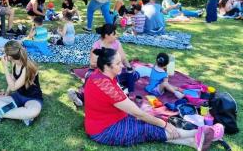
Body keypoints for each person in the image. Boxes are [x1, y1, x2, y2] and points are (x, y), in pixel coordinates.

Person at [84, 47, 223, 150]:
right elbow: (137, 113)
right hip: (104, 130)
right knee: (148, 128)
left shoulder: (100, 74)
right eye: (118, 63)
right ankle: (199, 132)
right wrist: (165, 124)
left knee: (149, 124)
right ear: (106, 66)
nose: (122, 65)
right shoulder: (105, 85)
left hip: (110, 119)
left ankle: (194, 142)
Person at [67, 24, 137, 107]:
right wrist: (107, 65)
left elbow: (124, 58)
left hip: (115, 71)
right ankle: (80, 96)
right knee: (92, 79)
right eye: (114, 34)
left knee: (133, 75)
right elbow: (92, 64)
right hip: (100, 71)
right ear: (107, 35)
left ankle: (123, 92)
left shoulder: (116, 43)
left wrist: (129, 67)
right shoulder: (97, 46)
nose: (116, 36)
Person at [0, 40, 43, 126]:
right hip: (17, 97)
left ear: (9, 56)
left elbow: (14, 87)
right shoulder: (15, 63)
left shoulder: (27, 67)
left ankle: (0, 113)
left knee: (33, 111)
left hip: (32, 99)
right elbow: (13, 78)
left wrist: (5, 67)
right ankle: (21, 115)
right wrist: (7, 93)